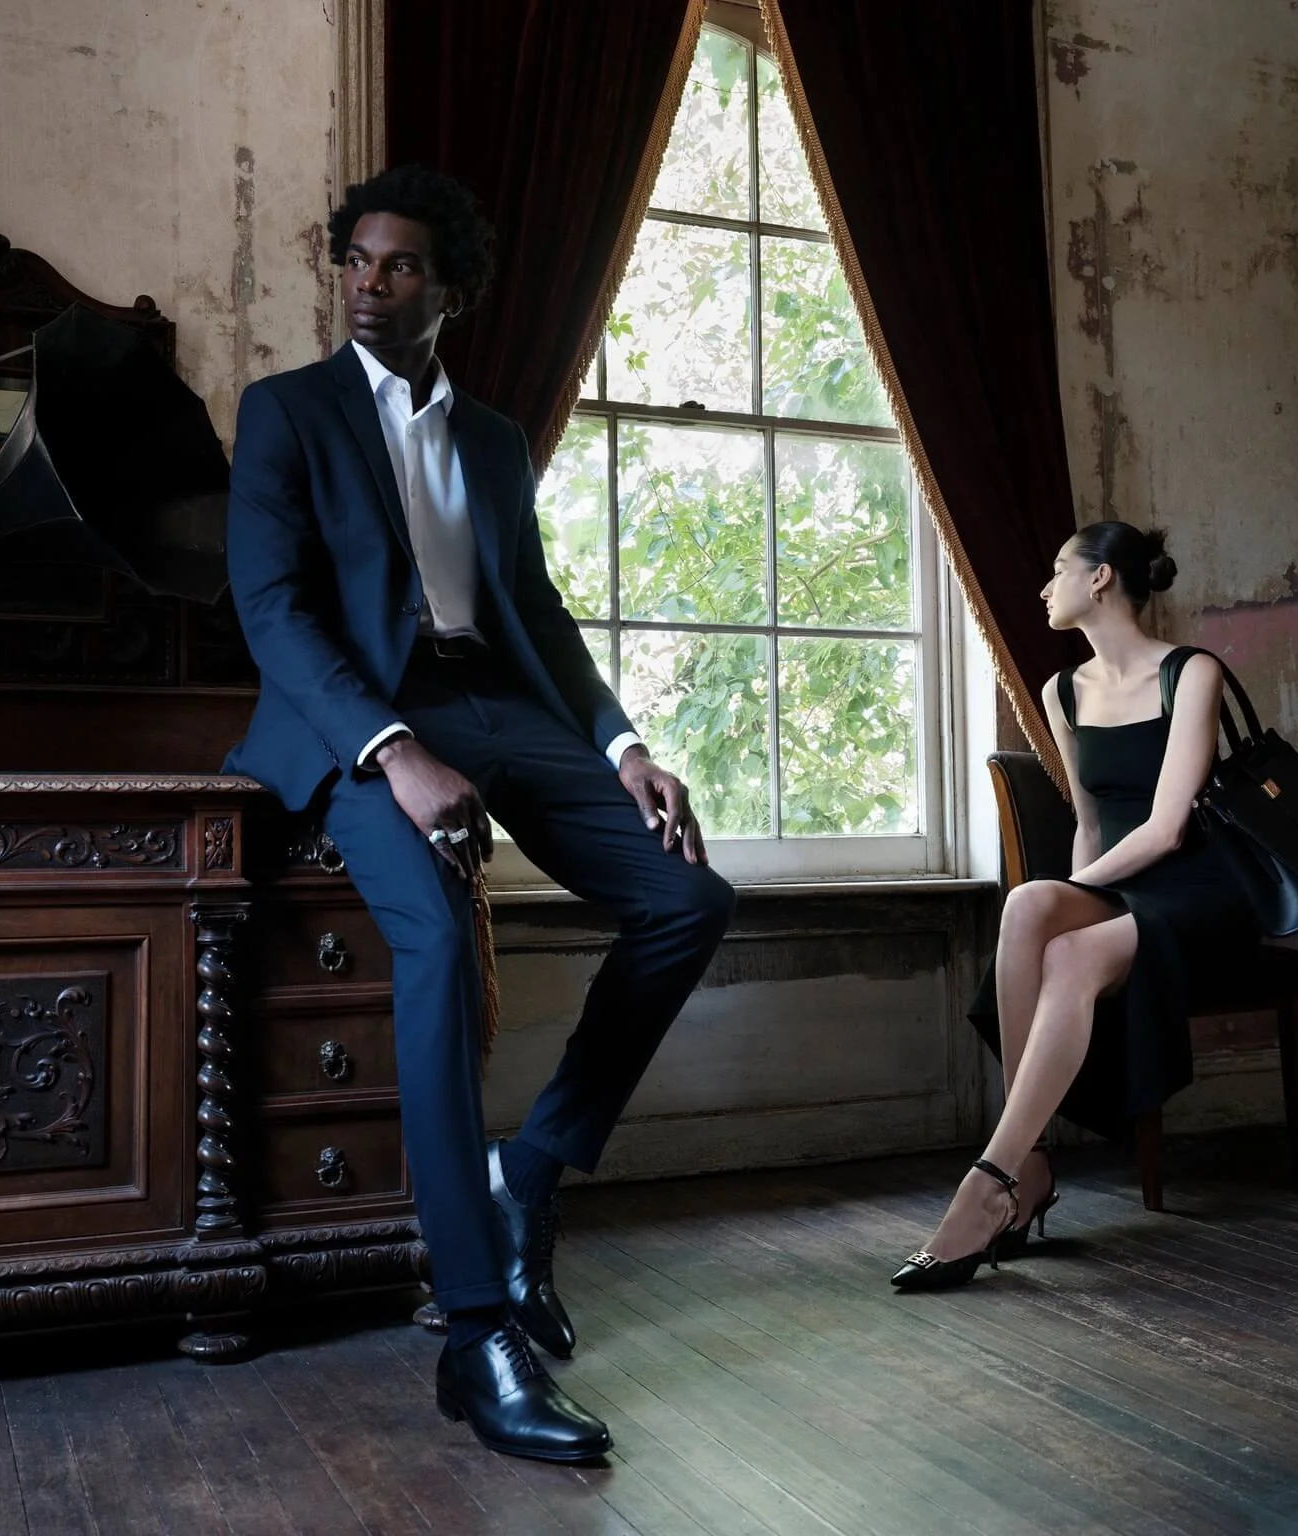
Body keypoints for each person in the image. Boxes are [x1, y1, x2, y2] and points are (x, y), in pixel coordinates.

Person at [224, 165, 735, 1460]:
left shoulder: (496, 440)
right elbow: (275, 612)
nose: (367, 281)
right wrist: (393, 750)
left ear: (447, 290)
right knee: (443, 948)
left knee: (686, 898)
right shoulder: (287, 413)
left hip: (505, 710)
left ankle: (536, 1163)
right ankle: (474, 1332)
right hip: (356, 722)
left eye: (398, 266)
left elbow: (538, 614)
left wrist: (623, 744)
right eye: (355, 258)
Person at [890, 522, 1257, 1290]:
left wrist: (1085, 900)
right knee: (1030, 910)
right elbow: (1090, 822)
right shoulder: (1063, 691)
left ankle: (990, 1183)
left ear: (1100, 580)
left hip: (1198, 888)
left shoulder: (1189, 673)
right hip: (1119, 883)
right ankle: (1028, 1165)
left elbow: (1167, 826)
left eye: (1058, 570)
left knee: (1072, 947)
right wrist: (1071, 896)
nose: (1043, 587)